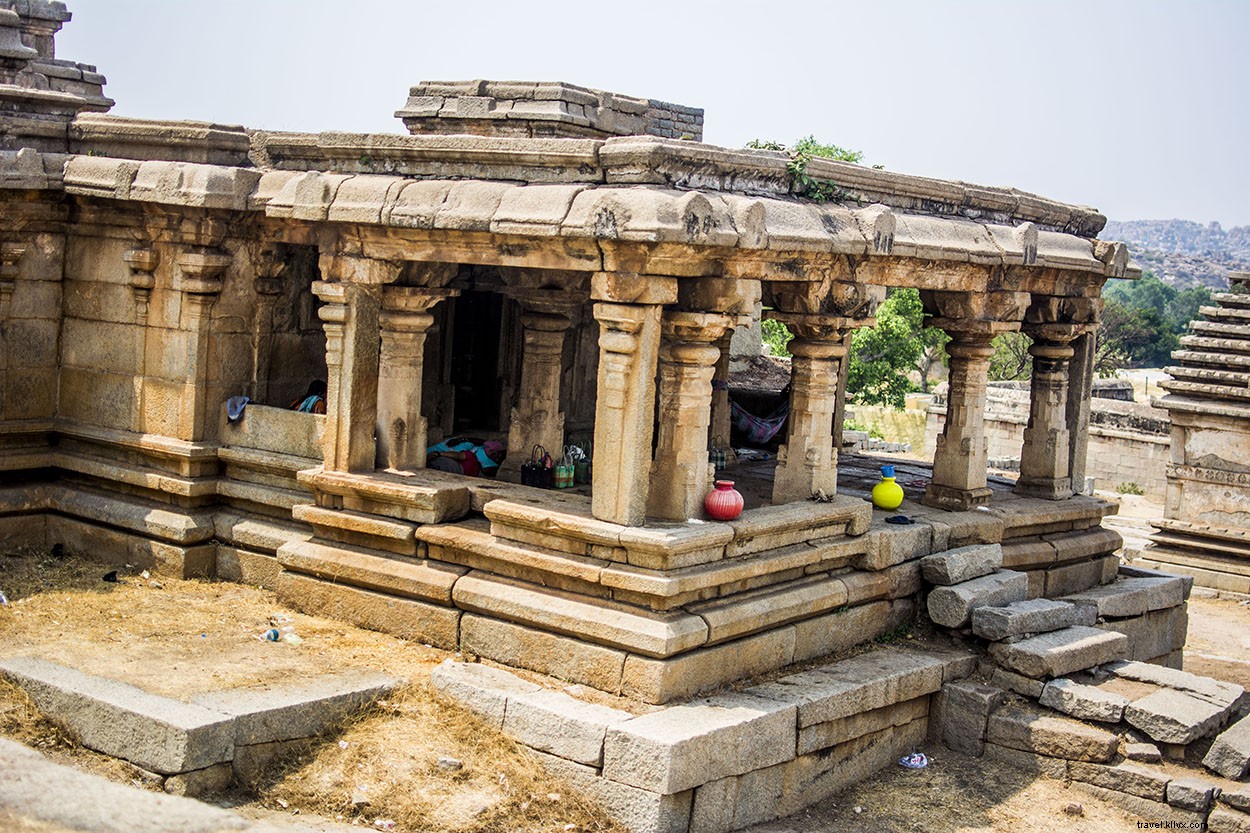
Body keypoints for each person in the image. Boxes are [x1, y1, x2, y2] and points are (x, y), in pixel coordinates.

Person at [426, 438, 505, 477]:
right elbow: (459, 456)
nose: (496, 456)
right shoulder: (472, 450)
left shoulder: (488, 463)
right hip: (451, 459)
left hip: (458, 468)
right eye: (496, 454)